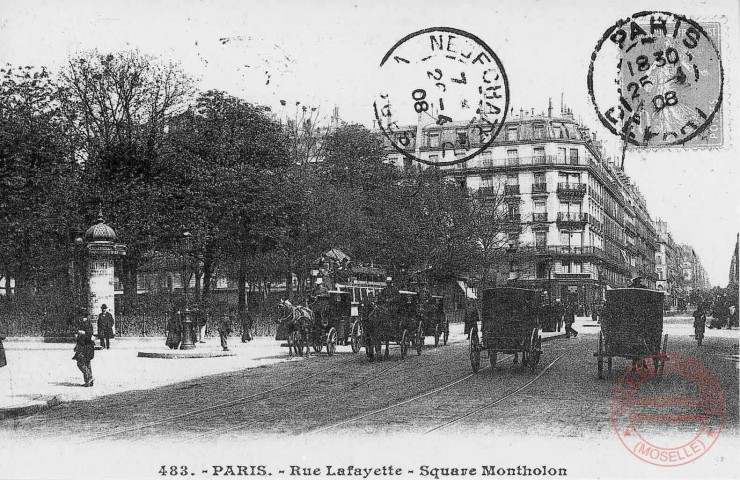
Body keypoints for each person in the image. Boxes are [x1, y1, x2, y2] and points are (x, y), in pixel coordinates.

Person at [73, 316, 95, 386]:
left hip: (85, 347)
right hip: (87, 347)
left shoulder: (86, 324)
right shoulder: (86, 324)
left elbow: (89, 337)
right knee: (87, 363)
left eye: (82, 317)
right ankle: (88, 382)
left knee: (80, 363)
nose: (81, 318)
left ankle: (89, 377)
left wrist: (82, 333)